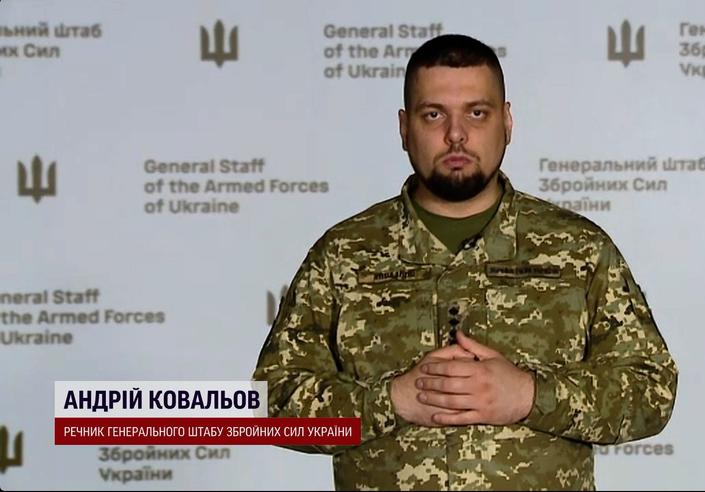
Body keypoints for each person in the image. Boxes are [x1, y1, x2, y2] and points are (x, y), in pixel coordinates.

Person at [253, 33, 678, 491]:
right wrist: (390, 401)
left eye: (477, 113)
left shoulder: (580, 250)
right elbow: (271, 405)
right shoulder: (342, 255)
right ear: (404, 128)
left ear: (507, 122)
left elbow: (651, 391)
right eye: (433, 114)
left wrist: (532, 395)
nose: (456, 134)